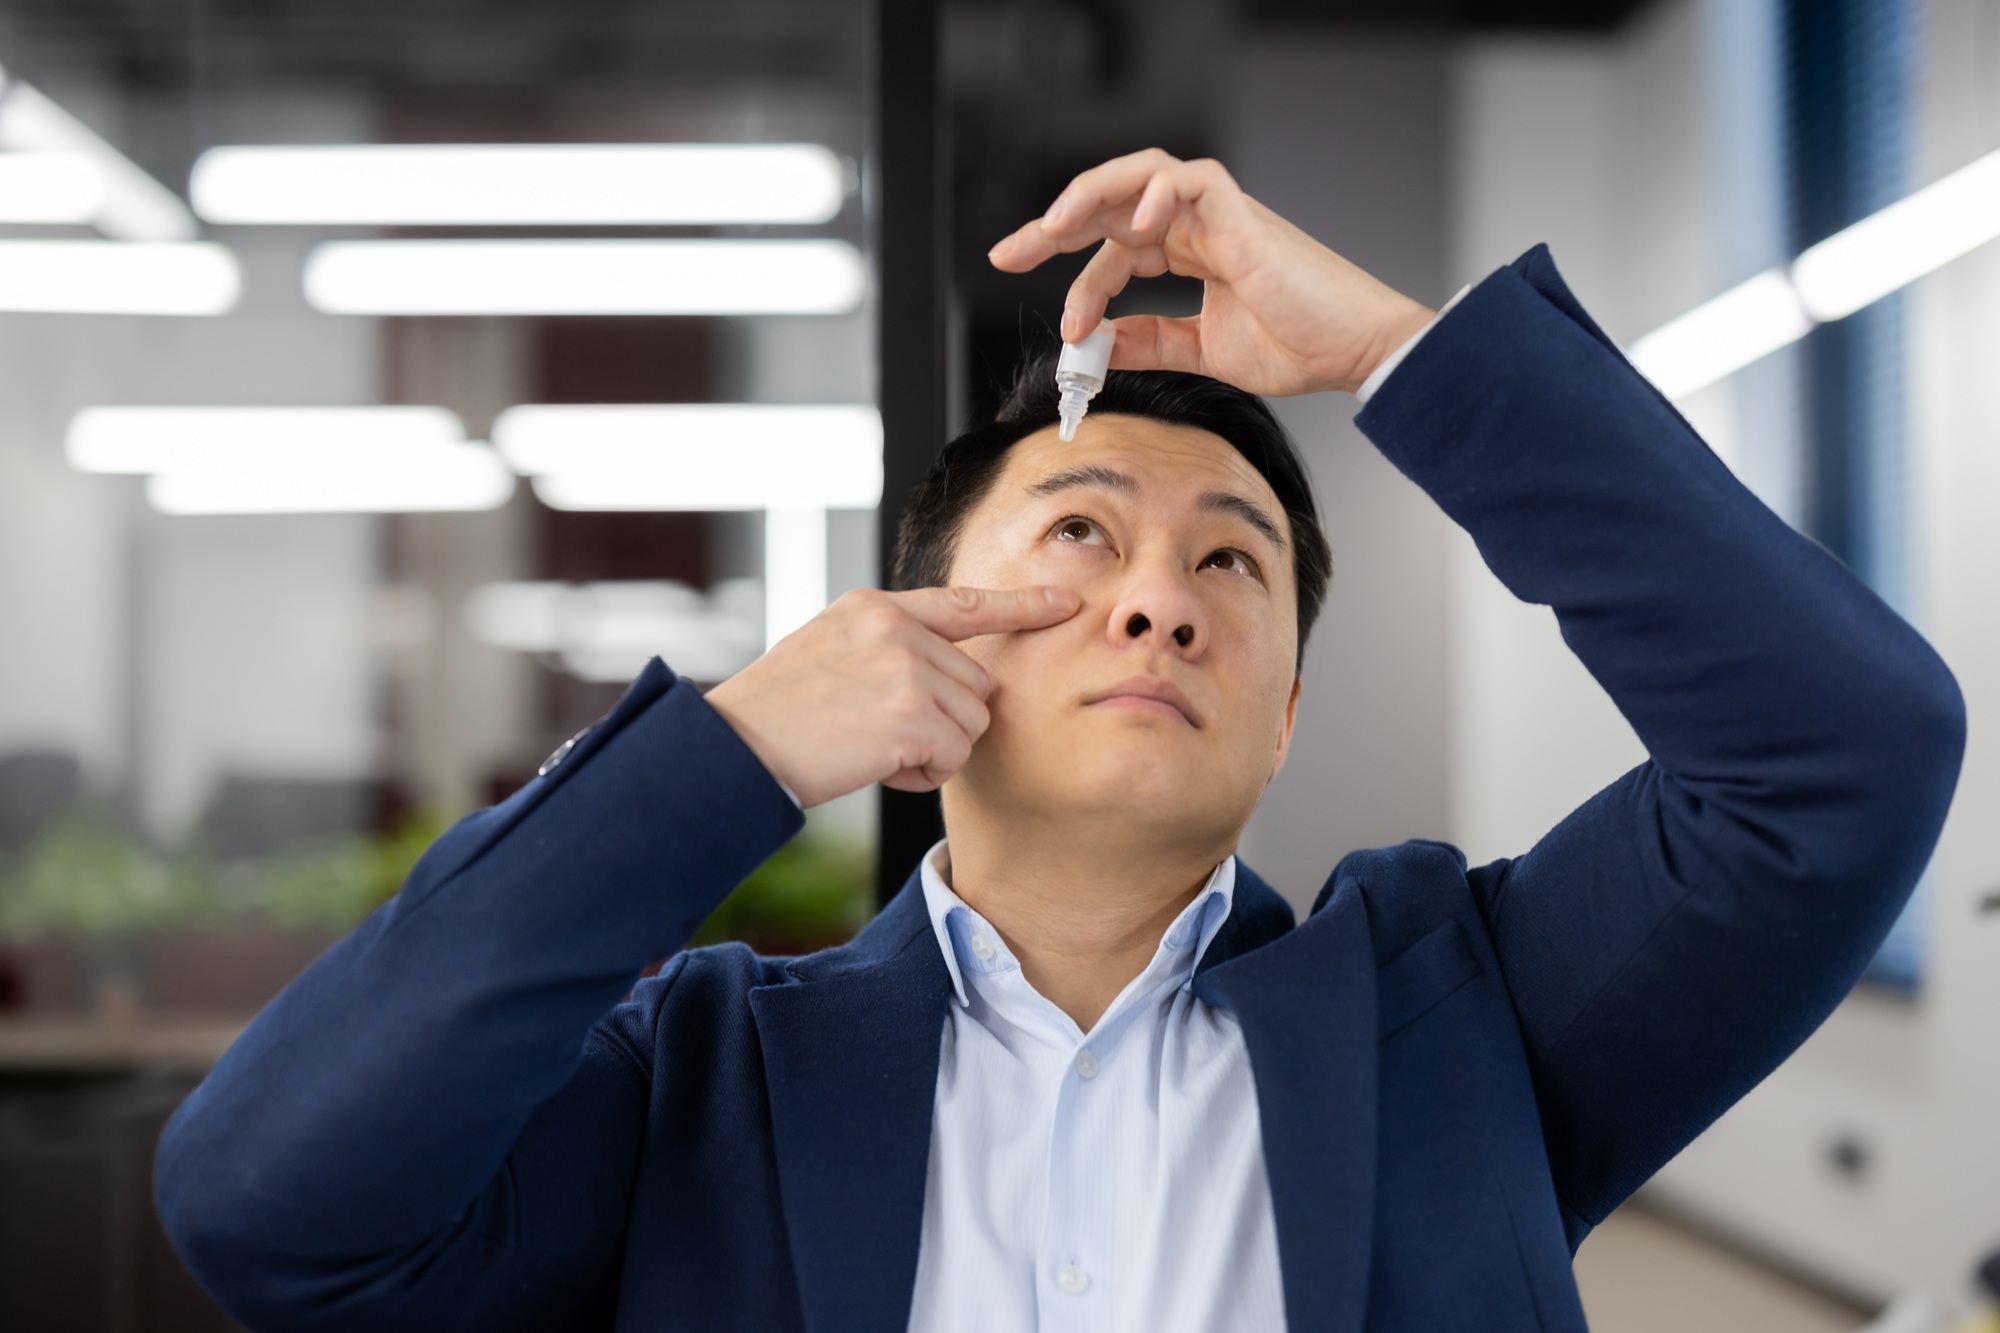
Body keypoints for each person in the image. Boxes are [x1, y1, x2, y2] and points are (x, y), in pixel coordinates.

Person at [154, 149, 1964, 1332]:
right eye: (1081, 536)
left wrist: (1400, 359)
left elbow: (1846, 752)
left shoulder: (1464, 1021)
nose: (1159, 600)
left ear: (1282, 718)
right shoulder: (694, 1082)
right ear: (923, 653)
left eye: (1229, 566)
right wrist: (733, 751)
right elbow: (268, 1206)